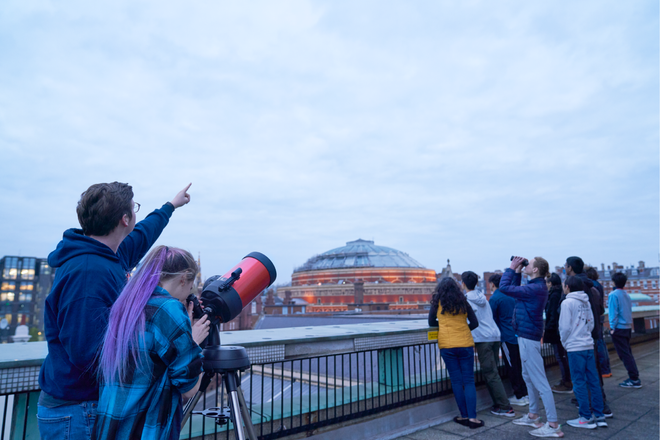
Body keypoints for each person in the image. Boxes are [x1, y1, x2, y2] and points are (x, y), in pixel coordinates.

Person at [37, 182, 193, 440]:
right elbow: (89, 353)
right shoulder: (89, 272)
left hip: (83, 404)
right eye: (135, 209)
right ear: (124, 219)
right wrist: (172, 350)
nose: (136, 216)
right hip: (76, 409)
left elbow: (142, 235)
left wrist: (170, 206)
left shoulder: (107, 255)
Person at [94, 246, 210, 439]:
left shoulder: (128, 304)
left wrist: (182, 334)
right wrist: (194, 341)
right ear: (183, 278)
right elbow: (190, 389)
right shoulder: (169, 308)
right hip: (144, 428)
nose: (189, 294)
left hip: (111, 423)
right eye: (190, 287)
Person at [501, 256, 563, 438]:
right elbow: (516, 290)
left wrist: (511, 268)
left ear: (535, 270)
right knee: (528, 377)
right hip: (526, 335)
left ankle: (553, 425)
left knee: (541, 383)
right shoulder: (536, 287)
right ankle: (533, 415)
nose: (527, 266)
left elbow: (505, 288)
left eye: (530, 264)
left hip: (528, 338)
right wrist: (518, 273)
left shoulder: (535, 288)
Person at [428, 278, 484, 429]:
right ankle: (473, 418)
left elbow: (431, 322)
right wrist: (463, 330)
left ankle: (463, 415)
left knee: (457, 381)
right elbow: (475, 323)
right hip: (465, 344)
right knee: (469, 381)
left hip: (447, 345)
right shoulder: (463, 302)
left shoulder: (437, 303)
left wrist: (446, 327)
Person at [461, 271, 514, 417]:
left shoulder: (466, 300)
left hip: (483, 338)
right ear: (477, 284)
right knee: (493, 371)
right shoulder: (482, 297)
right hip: (494, 335)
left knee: (491, 373)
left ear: (463, 283)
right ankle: (498, 404)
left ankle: (505, 407)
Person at [565, 257, 611, 417]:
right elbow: (598, 312)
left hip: (578, 339)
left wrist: (566, 340)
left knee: (580, 376)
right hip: (593, 335)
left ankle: (589, 409)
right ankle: (600, 408)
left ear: (570, 267)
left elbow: (564, 324)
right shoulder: (594, 286)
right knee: (593, 373)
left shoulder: (575, 287)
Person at [559, 276, 607, 429]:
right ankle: (599, 415)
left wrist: (565, 342)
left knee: (578, 381)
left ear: (567, 287)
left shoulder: (567, 302)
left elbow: (565, 327)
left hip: (575, 347)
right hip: (587, 344)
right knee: (593, 380)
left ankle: (585, 416)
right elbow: (592, 323)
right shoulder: (585, 301)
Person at [489, 273, 529, 407]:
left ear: (492, 284)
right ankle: (526, 393)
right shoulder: (512, 295)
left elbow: (492, 319)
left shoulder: (495, 298)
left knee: (512, 366)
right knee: (521, 365)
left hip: (507, 337)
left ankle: (519, 395)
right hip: (520, 334)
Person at [608, 272, 642, 388]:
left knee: (624, 355)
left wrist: (612, 328)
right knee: (628, 353)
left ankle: (634, 378)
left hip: (619, 328)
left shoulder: (613, 295)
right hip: (627, 327)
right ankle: (634, 377)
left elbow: (613, 313)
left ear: (613, 282)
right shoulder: (626, 295)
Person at [545, 273, 572, 394]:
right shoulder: (558, 293)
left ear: (550, 283)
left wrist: (549, 329)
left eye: (546, 282)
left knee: (561, 357)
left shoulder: (554, 295)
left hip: (556, 332)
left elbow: (552, 314)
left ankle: (567, 382)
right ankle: (566, 380)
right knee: (562, 356)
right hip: (558, 330)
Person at [585, 266, 612, 377]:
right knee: (601, 342)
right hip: (599, 315)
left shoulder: (591, 285)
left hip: (594, 316)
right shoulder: (599, 285)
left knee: (598, 342)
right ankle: (606, 369)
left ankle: (603, 369)